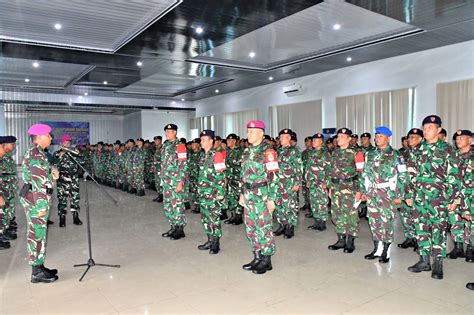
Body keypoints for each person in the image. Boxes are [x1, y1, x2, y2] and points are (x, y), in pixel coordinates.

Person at [407, 115, 459, 280]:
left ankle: (438, 264)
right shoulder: (417, 149)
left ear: (438, 130)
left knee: (438, 229)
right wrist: (409, 194)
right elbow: (410, 173)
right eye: (425, 127)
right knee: (420, 228)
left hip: (439, 198)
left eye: (430, 127)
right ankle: (424, 261)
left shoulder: (447, 149)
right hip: (419, 197)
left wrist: (454, 199)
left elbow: (454, 176)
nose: (426, 130)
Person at [359, 127, 406, 263]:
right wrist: (363, 191)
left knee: (386, 222)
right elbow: (364, 174)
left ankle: (386, 250)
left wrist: (399, 195)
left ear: (388, 138)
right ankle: (377, 248)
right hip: (372, 193)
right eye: (376, 136)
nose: (377, 139)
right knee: (374, 222)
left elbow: (403, 176)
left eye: (380, 136)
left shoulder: (396, 155)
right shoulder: (370, 154)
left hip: (387, 193)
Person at [19, 124, 59, 283]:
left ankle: (40, 265)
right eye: (49, 135)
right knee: (36, 235)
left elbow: (41, 176)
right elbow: (38, 184)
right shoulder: (36, 155)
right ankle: (36, 272)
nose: (51, 138)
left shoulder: (38, 153)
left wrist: (51, 174)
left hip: (36, 200)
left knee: (39, 234)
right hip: (37, 202)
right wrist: (42, 207)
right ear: (40, 137)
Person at [239, 120, 279, 274]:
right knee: (251, 227)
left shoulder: (268, 152)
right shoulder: (247, 151)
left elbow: (274, 176)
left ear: (261, 134)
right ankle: (257, 256)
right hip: (248, 195)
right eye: (248, 131)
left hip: (262, 195)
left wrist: (271, 198)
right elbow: (243, 175)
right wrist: (242, 193)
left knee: (263, 227)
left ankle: (266, 260)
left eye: (252, 131)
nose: (249, 134)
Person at [327, 128, 365, 253]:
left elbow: (362, 173)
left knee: (351, 214)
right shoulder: (334, 152)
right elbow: (330, 171)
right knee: (337, 214)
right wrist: (330, 187)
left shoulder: (356, 153)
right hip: (336, 188)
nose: (339, 139)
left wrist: (360, 190)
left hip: (350, 188)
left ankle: (350, 241)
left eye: (342, 136)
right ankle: (341, 239)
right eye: (338, 136)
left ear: (349, 138)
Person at [196, 130, 226, 254]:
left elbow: (221, 175)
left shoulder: (217, 155)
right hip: (203, 193)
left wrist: (220, 193)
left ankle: (215, 243)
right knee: (205, 217)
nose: (201, 142)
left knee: (213, 218)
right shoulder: (203, 155)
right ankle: (209, 239)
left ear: (211, 141)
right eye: (201, 139)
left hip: (213, 193)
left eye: (204, 139)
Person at [447, 130, 473, 261]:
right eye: (457, 138)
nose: (458, 140)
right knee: (455, 221)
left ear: (470, 140)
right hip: (454, 195)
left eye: (462, 138)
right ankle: (458, 248)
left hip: (470, 196)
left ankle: (470, 249)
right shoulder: (452, 156)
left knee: (470, 222)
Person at [161, 124, 188, 240]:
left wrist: (180, 182)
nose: (167, 133)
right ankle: (173, 226)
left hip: (175, 181)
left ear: (175, 132)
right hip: (166, 181)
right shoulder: (165, 145)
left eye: (170, 131)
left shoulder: (180, 146)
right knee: (168, 205)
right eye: (166, 131)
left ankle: (180, 229)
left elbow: (183, 165)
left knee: (177, 205)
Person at [274, 129, 302, 239]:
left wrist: (297, 183)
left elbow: (298, 168)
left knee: (290, 205)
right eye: (280, 137)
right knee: (280, 205)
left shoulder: (294, 151)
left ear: (289, 138)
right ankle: (282, 225)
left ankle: (290, 227)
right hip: (278, 183)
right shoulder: (278, 151)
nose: (281, 139)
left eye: (283, 137)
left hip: (289, 183)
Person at [398, 128, 423, 250]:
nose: (410, 139)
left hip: (419, 191)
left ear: (420, 139)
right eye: (409, 137)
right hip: (405, 190)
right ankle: (410, 237)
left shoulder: (423, 153)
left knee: (418, 217)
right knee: (405, 215)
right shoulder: (404, 153)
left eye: (414, 137)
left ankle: (420, 241)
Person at [52, 135, 83, 227]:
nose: (67, 143)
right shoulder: (57, 153)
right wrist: (60, 156)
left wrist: (78, 154)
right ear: (61, 143)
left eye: (69, 142)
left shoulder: (74, 152)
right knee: (62, 199)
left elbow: (82, 162)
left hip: (74, 180)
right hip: (62, 180)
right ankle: (62, 218)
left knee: (75, 198)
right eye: (65, 142)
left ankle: (76, 217)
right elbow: (53, 164)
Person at [305, 133, 330, 231]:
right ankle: (316, 222)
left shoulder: (325, 154)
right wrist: (307, 179)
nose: (313, 142)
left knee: (322, 202)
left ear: (321, 142)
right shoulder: (311, 153)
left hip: (321, 182)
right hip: (312, 182)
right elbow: (308, 168)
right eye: (313, 140)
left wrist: (326, 182)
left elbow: (329, 169)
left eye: (316, 140)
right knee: (314, 202)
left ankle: (322, 223)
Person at [225, 133, 243, 225]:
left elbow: (241, 165)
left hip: (237, 178)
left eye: (230, 140)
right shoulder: (227, 151)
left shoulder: (240, 151)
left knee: (238, 197)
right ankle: (232, 216)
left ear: (235, 141)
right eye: (227, 140)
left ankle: (238, 217)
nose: (228, 142)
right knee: (231, 197)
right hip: (229, 178)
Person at [152, 136, 164, 202]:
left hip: (161, 169)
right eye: (155, 140)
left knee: (160, 183)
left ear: (160, 141)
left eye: (157, 140)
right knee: (157, 183)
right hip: (157, 169)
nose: (155, 142)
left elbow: (164, 160)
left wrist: (157, 162)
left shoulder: (163, 148)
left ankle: (162, 196)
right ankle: (159, 195)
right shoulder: (157, 149)